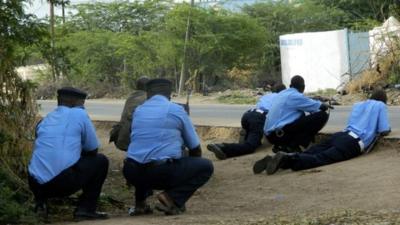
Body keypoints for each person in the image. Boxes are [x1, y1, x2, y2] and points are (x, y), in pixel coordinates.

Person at [123, 78, 214, 216]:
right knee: (205, 166)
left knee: (142, 157)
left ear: (147, 94)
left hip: (131, 172)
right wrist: (188, 168)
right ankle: (172, 198)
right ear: (169, 94)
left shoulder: (139, 110)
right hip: (160, 173)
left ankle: (140, 204)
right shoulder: (176, 109)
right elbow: (195, 148)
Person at [254, 89, 391, 175]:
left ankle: (279, 159)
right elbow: (384, 130)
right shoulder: (380, 105)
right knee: (321, 158)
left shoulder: (358, 105)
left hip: (341, 135)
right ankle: (287, 159)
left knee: (312, 152)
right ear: (383, 100)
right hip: (352, 142)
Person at [28, 87, 109, 220]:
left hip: (34, 183)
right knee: (100, 161)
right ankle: (86, 209)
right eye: (82, 103)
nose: (83, 107)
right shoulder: (79, 114)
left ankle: (40, 204)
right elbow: (92, 149)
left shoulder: (45, 119)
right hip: (61, 183)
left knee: (43, 160)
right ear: (72, 102)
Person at [206, 83, 286, 160]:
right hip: (259, 118)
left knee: (254, 137)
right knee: (250, 146)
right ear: (284, 92)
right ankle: (223, 148)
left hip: (248, 114)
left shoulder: (267, 96)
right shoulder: (282, 98)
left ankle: (247, 133)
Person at [264, 75, 331, 153]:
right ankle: (294, 145)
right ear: (303, 87)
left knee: (300, 115)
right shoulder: (294, 96)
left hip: (272, 135)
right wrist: (324, 104)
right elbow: (320, 107)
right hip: (279, 135)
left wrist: (313, 99)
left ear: (290, 86)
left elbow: (303, 100)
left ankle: (286, 145)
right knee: (321, 116)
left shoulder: (283, 94)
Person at [109, 76, 149, 151]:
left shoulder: (131, 97)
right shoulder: (147, 98)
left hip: (121, 138)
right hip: (132, 139)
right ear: (148, 87)